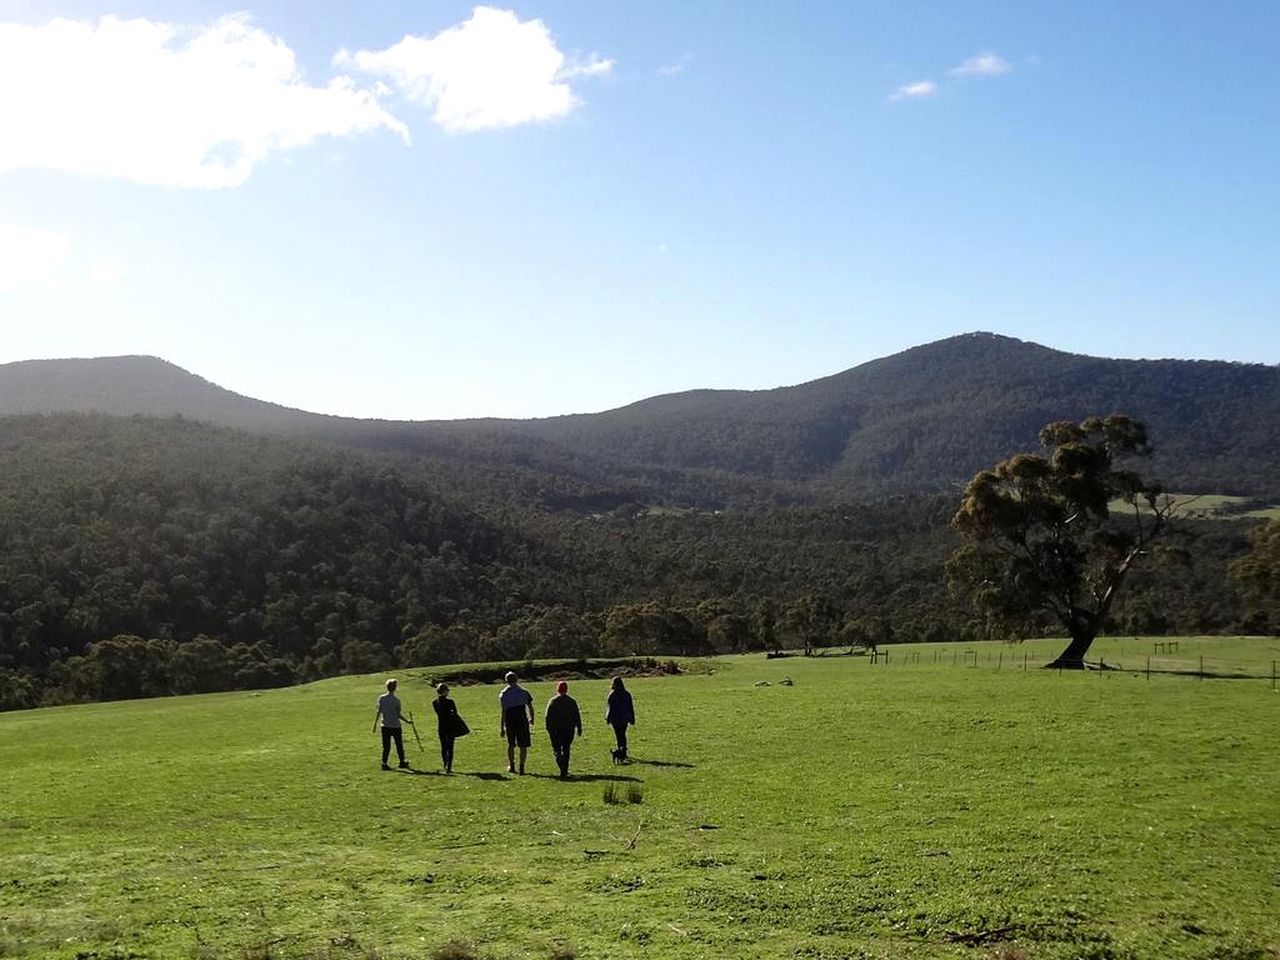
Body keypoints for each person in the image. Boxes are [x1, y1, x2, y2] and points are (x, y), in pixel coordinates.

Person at [544, 680, 583, 779]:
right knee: (566, 749)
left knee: (557, 749)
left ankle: (560, 762)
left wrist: (548, 727)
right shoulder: (572, 701)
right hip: (568, 728)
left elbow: (548, 716)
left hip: (555, 729)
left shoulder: (553, 701)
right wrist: (579, 727)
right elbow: (576, 715)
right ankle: (564, 770)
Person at [498, 670, 534, 774]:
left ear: (506, 681)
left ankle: (512, 766)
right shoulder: (524, 692)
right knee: (523, 745)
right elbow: (530, 707)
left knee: (511, 745)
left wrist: (502, 727)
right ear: (517, 679)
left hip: (510, 722)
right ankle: (522, 767)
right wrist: (532, 718)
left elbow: (503, 712)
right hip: (522, 720)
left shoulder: (503, 694)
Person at [373, 677, 412, 770]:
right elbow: (398, 714)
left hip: (385, 726)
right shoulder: (396, 700)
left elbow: (379, 711)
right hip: (395, 726)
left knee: (386, 746)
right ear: (395, 688)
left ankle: (384, 763)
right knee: (399, 745)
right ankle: (402, 762)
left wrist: (375, 724)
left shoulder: (382, 698)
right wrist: (407, 721)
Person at [432, 682, 461, 774]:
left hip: (441, 726)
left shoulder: (435, 702)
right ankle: (449, 766)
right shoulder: (450, 702)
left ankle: (445, 764)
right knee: (450, 747)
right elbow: (455, 713)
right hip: (450, 726)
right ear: (444, 691)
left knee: (443, 747)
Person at [604, 676, 635, 762]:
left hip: (615, 718)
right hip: (624, 718)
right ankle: (623, 751)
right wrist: (632, 718)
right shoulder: (627, 694)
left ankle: (620, 751)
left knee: (618, 735)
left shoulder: (612, 694)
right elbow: (630, 707)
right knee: (623, 734)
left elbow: (610, 707)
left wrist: (608, 718)